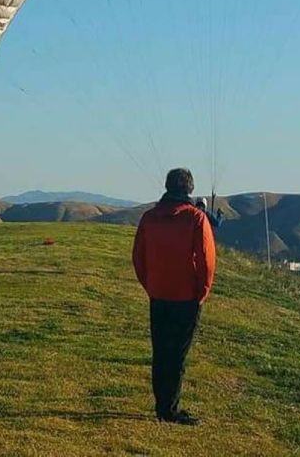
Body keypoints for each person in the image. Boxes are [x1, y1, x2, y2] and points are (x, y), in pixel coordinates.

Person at [132, 168, 217, 425]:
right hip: (186, 298)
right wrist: (202, 292)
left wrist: (151, 285)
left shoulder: (149, 218)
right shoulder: (195, 219)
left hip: (159, 295)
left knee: (161, 352)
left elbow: (138, 257)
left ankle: (162, 406)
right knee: (177, 355)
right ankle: (170, 410)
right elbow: (206, 261)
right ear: (189, 189)